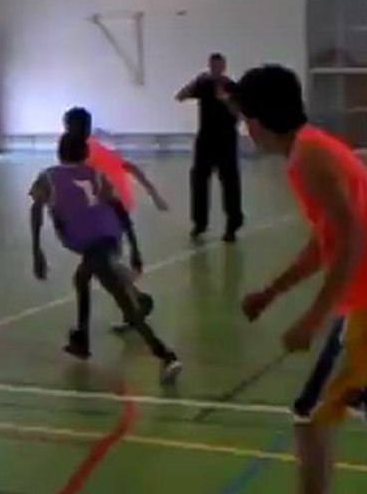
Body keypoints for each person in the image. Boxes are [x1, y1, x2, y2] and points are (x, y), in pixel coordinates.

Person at [236, 65, 367, 494]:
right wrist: (273, 292)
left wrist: (313, 319)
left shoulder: (308, 159)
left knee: (312, 418)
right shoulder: (312, 149)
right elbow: (326, 243)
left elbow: (351, 240)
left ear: (254, 122)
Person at [29, 132, 183, 384]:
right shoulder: (96, 174)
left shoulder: (48, 177)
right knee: (81, 278)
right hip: (110, 238)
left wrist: (37, 250)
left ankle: (166, 355)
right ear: (85, 154)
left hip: (92, 244)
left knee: (124, 303)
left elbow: (35, 209)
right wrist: (134, 247)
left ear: (59, 153)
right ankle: (81, 338)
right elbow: (119, 209)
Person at [63, 106, 166, 334]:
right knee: (106, 268)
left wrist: (152, 194)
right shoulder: (75, 151)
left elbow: (124, 174)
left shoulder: (92, 154)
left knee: (95, 270)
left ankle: (131, 313)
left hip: (107, 218)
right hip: (96, 218)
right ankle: (138, 300)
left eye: (71, 126)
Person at [176, 53, 244, 242]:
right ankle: (199, 223)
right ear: (209, 66)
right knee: (199, 181)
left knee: (229, 182)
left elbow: (238, 115)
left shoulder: (231, 86)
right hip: (205, 139)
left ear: (224, 67)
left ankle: (233, 224)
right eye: (213, 66)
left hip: (226, 141)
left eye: (219, 66)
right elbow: (180, 97)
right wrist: (193, 84)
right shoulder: (203, 84)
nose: (216, 69)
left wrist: (225, 99)